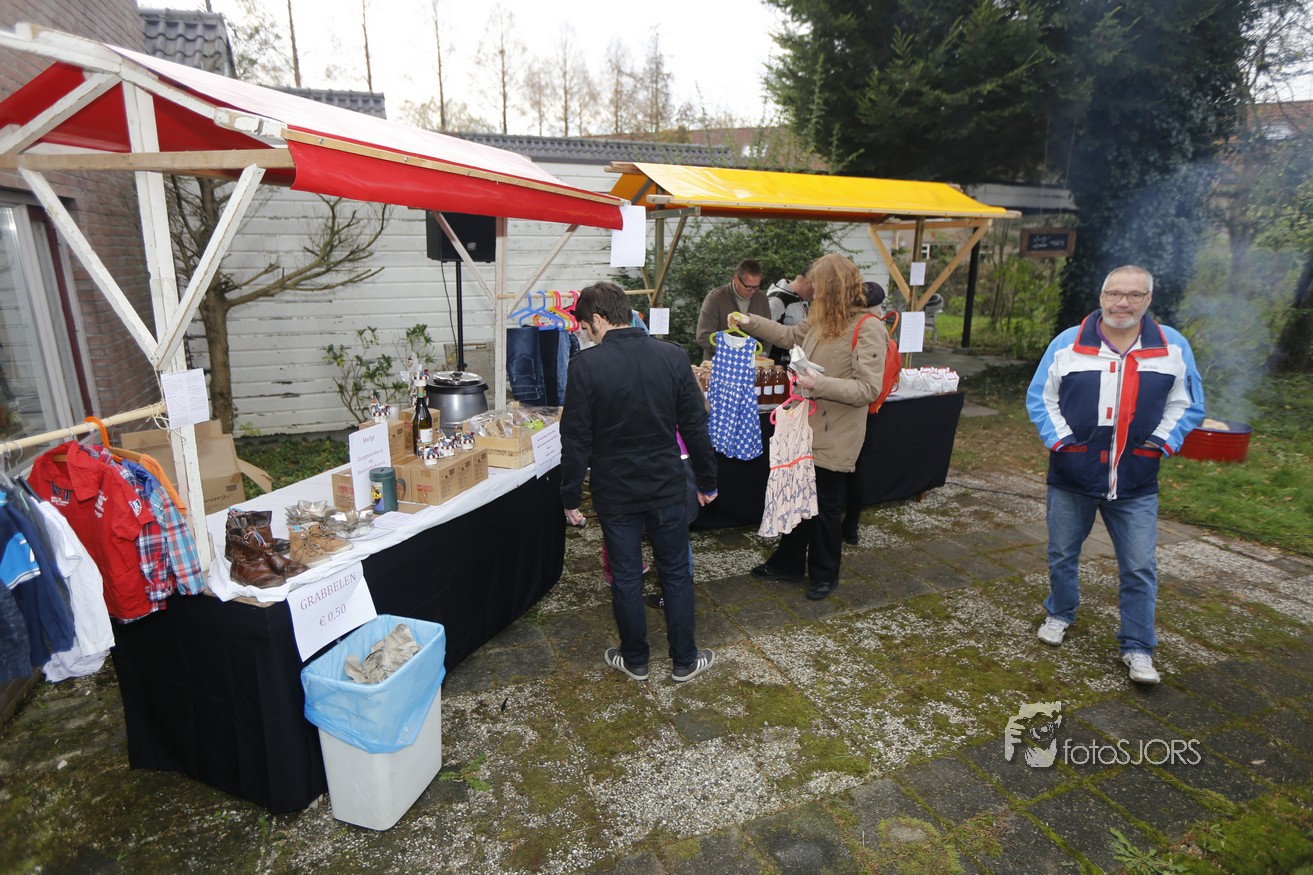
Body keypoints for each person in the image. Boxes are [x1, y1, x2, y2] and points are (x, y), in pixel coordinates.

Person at [1026, 265, 1205, 686]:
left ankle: (1138, 646)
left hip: (1135, 480)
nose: (1122, 302)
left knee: (1140, 566)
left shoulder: (1172, 347)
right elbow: (1040, 398)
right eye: (1114, 293)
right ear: (1101, 296)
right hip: (1072, 475)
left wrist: (1158, 444)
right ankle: (1060, 612)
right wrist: (1064, 444)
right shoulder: (1067, 343)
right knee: (1062, 554)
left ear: (1148, 300)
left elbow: (1187, 403)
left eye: (1134, 295)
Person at [561, 281, 719, 683]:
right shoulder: (672, 355)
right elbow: (694, 425)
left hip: (615, 491)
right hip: (666, 484)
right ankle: (685, 660)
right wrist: (707, 481)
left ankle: (636, 659)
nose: (585, 334)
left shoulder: (585, 366)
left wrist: (569, 496)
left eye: (585, 327)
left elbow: (576, 438)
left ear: (599, 319)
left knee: (627, 576)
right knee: (676, 573)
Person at [727, 253, 885, 600]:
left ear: (833, 287)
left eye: (818, 285)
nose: (812, 290)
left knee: (825, 506)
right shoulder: (820, 317)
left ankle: (825, 573)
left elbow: (868, 389)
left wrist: (818, 384)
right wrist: (748, 321)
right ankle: (788, 564)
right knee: (798, 495)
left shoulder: (868, 327)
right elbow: (787, 335)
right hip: (805, 426)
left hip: (835, 432)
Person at [841, 280, 890, 544]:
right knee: (855, 468)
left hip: (858, 406)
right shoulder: (876, 323)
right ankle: (850, 525)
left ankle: (850, 525)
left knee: (852, 467)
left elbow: (866, 383)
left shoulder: (866, 327)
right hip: (871, 406)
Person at [696, 258, 773, 361]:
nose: (752, 291)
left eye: (756, 287)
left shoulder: (762, 299)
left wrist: (761, 355)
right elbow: (703, 336)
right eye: (748, 287)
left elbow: (768, 334)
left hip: (751, 364)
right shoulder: (715, 298)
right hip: (719, 363)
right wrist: (734, 353)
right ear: (736, 279)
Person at [765, 265, 815, 365]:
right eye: (816, 288)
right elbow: (766, 332)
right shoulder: (777, 301)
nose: (815, 295)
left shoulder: (801, 297)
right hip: (779, 364)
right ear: (808, 282)